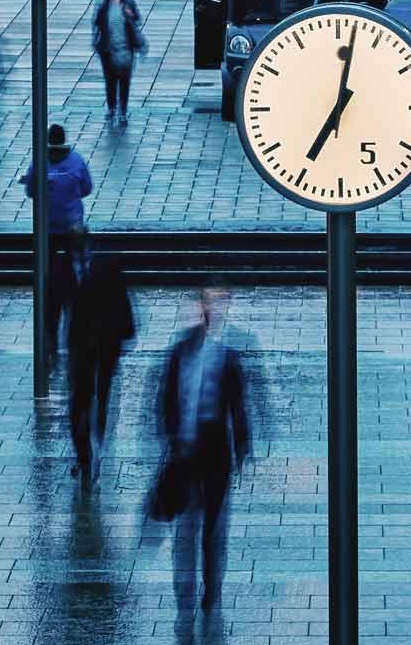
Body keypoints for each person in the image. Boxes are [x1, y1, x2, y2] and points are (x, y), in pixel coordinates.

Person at [153, 286, 253, 620]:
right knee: (187, 527)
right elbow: (165, 399)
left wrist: (241, 446)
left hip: (214, 453)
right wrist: (168, 439)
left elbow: (237, 406)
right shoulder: (178, 353)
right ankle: (186, 586)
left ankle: (210, 588)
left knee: (211, 526)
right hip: (184, 453)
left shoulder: (225, 356)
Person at [67, 237, 135, 489]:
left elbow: (122, 299)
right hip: (79, 347)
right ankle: (84, 454)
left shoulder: (108, 266)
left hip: (107, 344)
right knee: (78, 402)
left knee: (102, 396)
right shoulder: (64, 269)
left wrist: (126, 331)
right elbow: (55, 306)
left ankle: (96, 445)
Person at [23, 125, 93, 357]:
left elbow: (31, 191)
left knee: (49, 284)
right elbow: (86, 188)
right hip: (73, 228)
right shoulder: (76, 160)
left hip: (47, 229)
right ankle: (77, 333)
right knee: (78, 280)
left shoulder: (39, 162)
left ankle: (50, 338)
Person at [91, 0, 145, 128]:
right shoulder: (103, 5)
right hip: (108, 50)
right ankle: (112, 108)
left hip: (126, 49)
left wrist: (130, 15)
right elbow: (96, 23)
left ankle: (123, 110)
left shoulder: (128, 3)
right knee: (110, 81)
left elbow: (137, 19)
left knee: (124, 81)